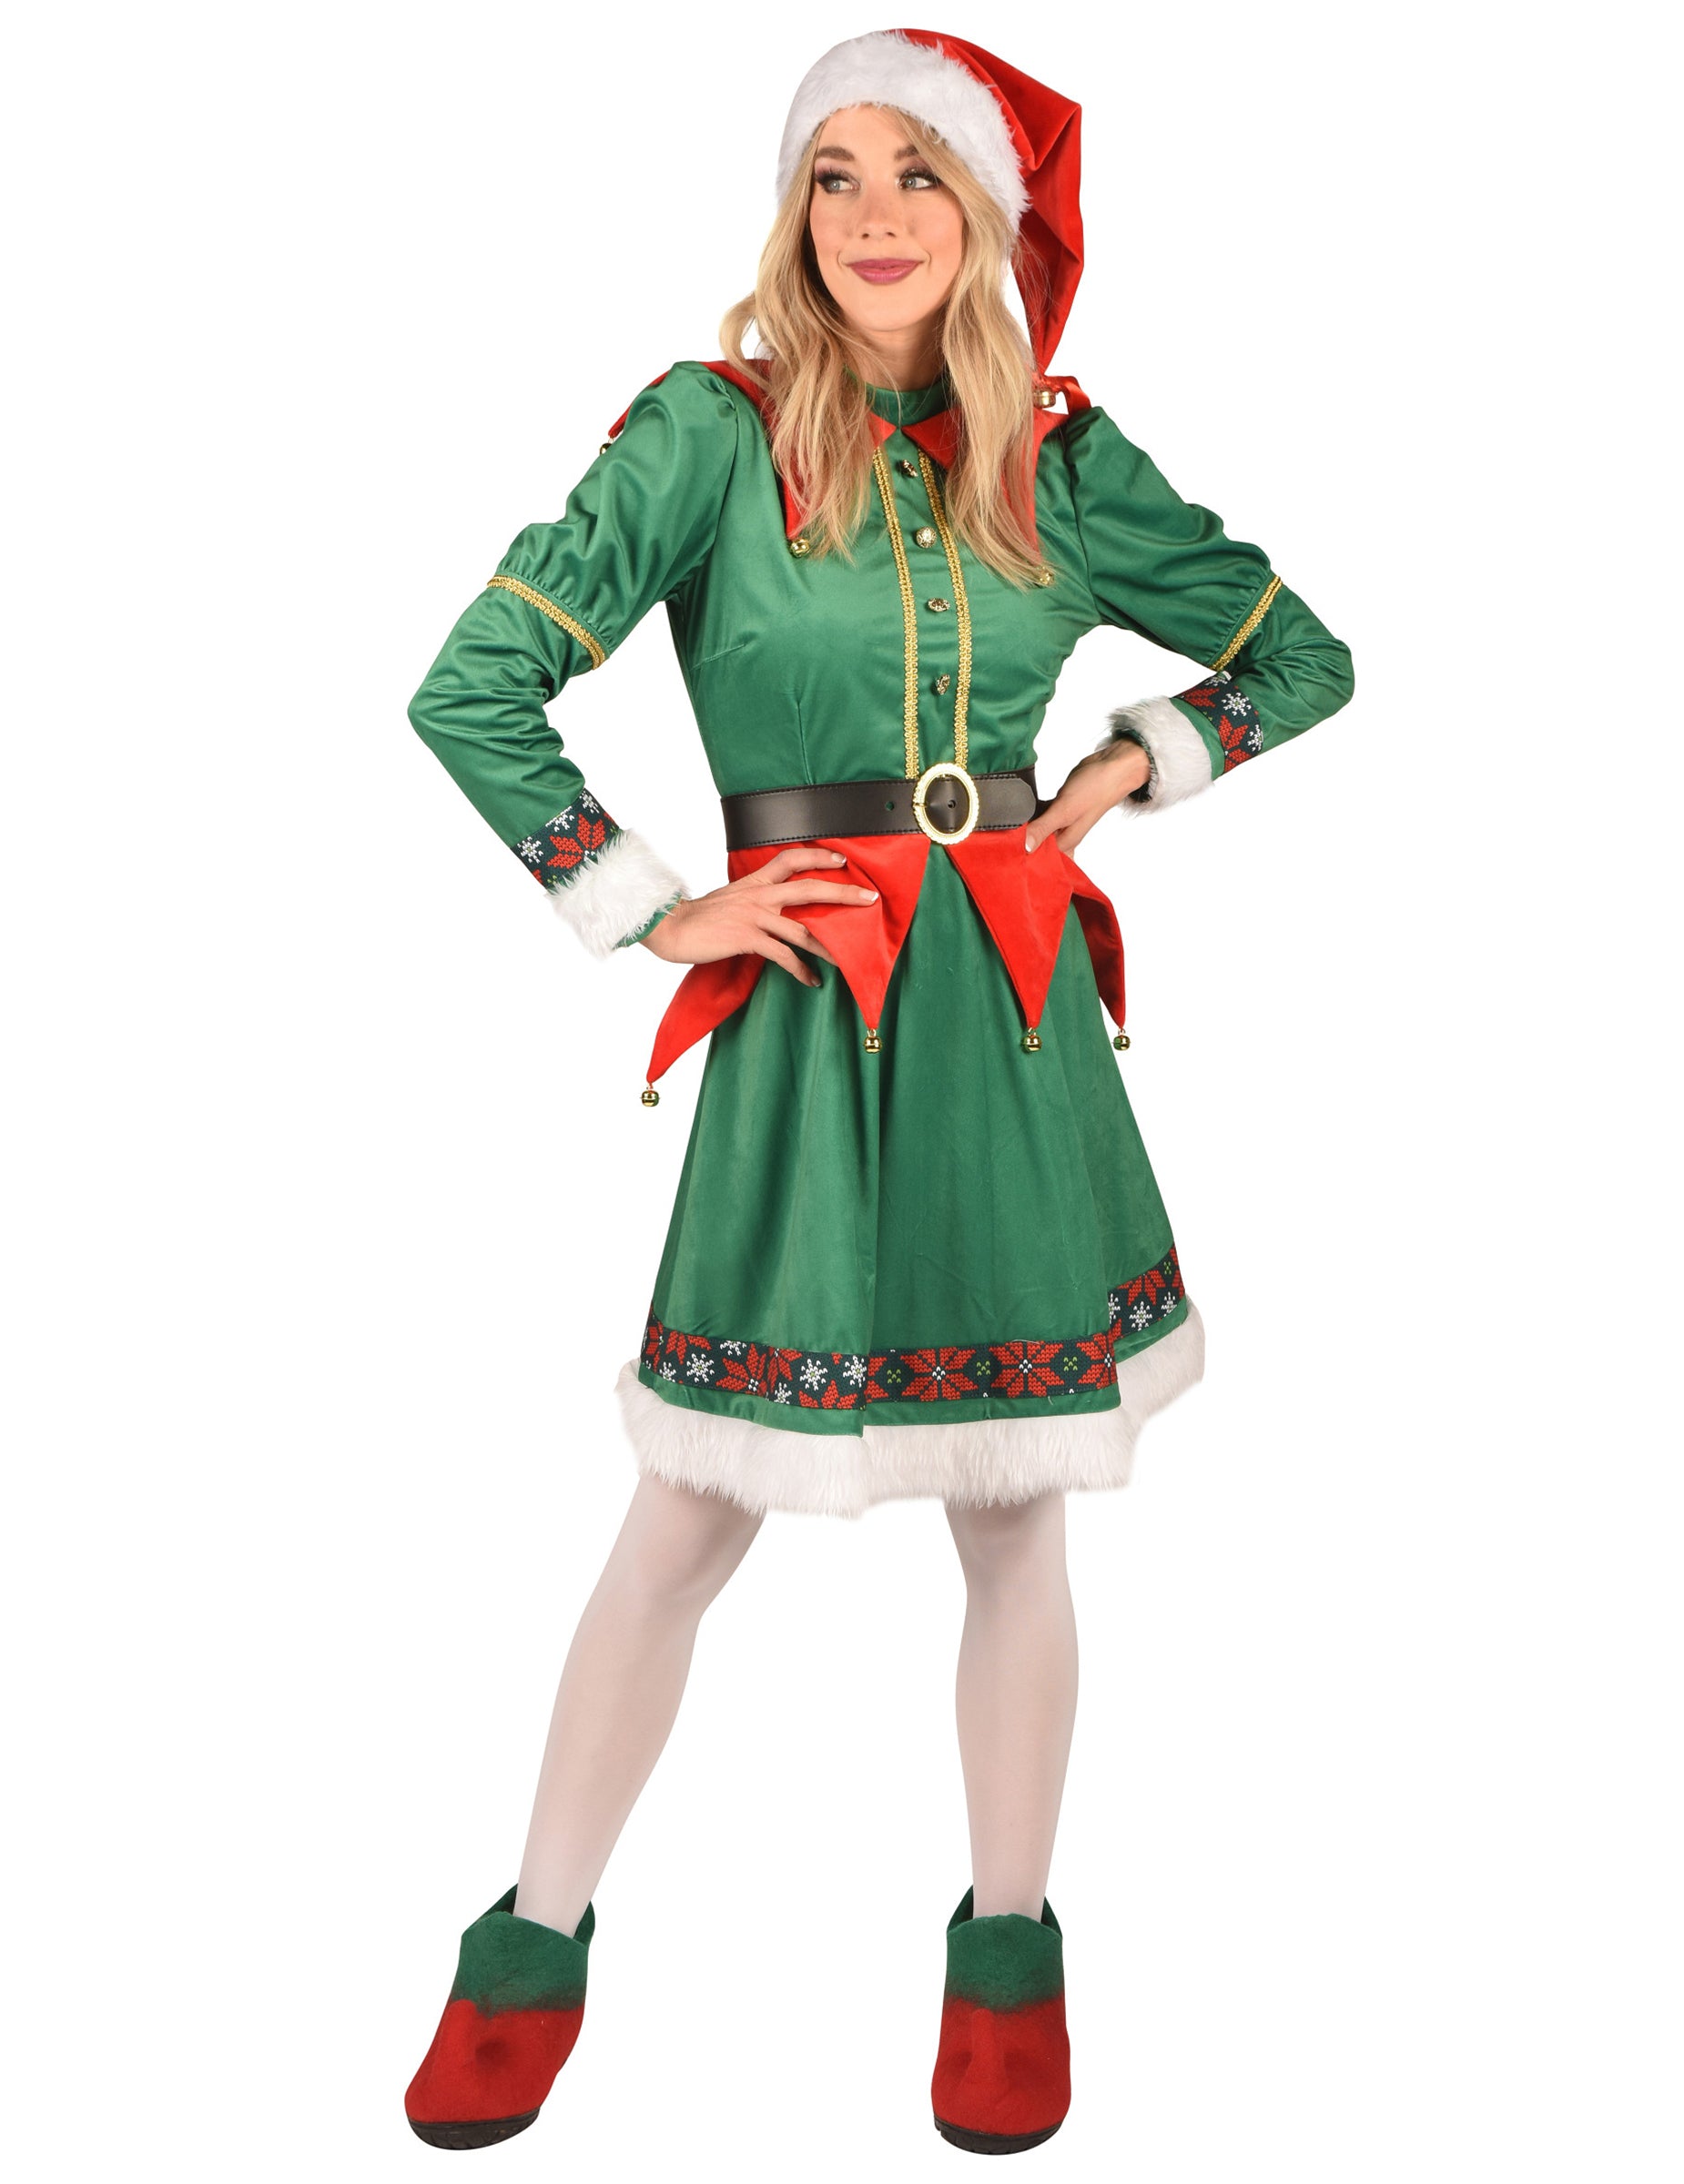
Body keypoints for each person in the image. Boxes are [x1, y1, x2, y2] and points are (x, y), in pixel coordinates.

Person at [401, 27, 1354, 2158]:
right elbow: (473, 686)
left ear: (986, 219)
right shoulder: (710, 433)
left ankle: (1007, 1950)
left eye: (918, 175)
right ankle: (533, 1938)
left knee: (1015, 1502)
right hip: (809, 1004)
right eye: (831, 175)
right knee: (688, 1507)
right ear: (792, 212)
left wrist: (1129, 766)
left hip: (1006, 1018)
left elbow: (1302, 656)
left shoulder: (1060, 463)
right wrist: (653, 904)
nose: (872, 218)